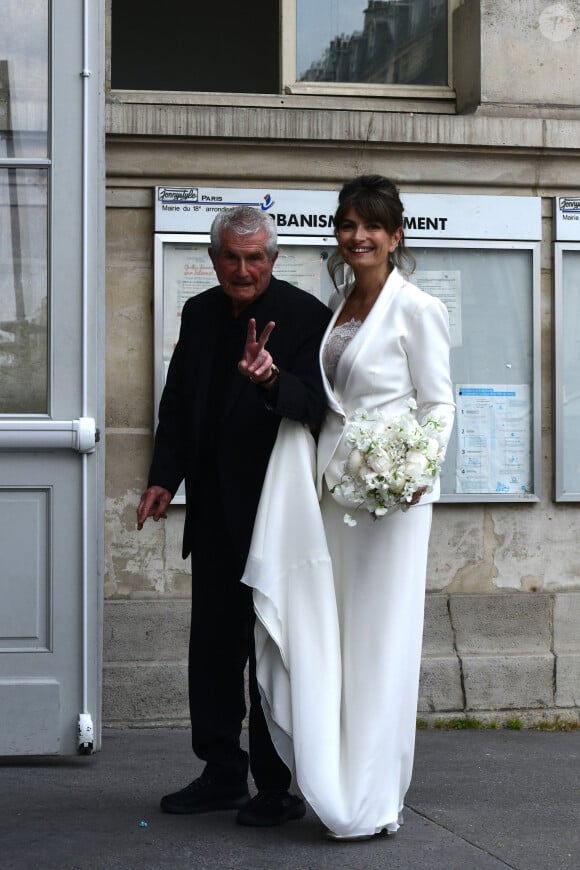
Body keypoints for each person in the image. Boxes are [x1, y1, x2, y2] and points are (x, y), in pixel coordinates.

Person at [242, 175, 456, 840]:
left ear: (396, 236)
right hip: (335, 495)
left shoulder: (418, 308)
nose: (357, 236)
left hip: (392, 504)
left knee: (378, 643)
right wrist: (274, 378)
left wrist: (415, 470)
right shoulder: (337, 306)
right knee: (335, 637)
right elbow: (326, 399)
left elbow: (439, 403)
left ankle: (372, 796)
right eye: (347, 224)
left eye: (372, 225)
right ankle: (335, 777)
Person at [137, 205, 331, 827]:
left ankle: (277, 789)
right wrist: (165, 478)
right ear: (214, 257)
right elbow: (178, 403)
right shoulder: (198, 313)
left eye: (255, 258)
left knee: (268, 645)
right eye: (232, 257)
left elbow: (321, 409)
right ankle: (222, 772)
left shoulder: (306, 317)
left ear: (273, 260)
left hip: (277, 516)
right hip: (216, 513)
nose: (243, 270)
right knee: (214, 649)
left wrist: (271, 379)